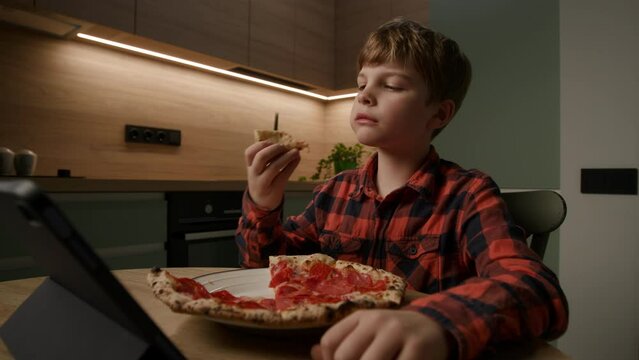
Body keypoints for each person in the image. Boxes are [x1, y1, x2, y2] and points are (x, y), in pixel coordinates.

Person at [237, 17, 568, 360]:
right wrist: (263, 202)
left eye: (392, 85)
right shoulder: (332, 193)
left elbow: (537, 290)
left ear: (439, 114)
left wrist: (437, 321)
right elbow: (265, 272)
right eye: (361, 83)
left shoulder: (468, 195)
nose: (365, 95)